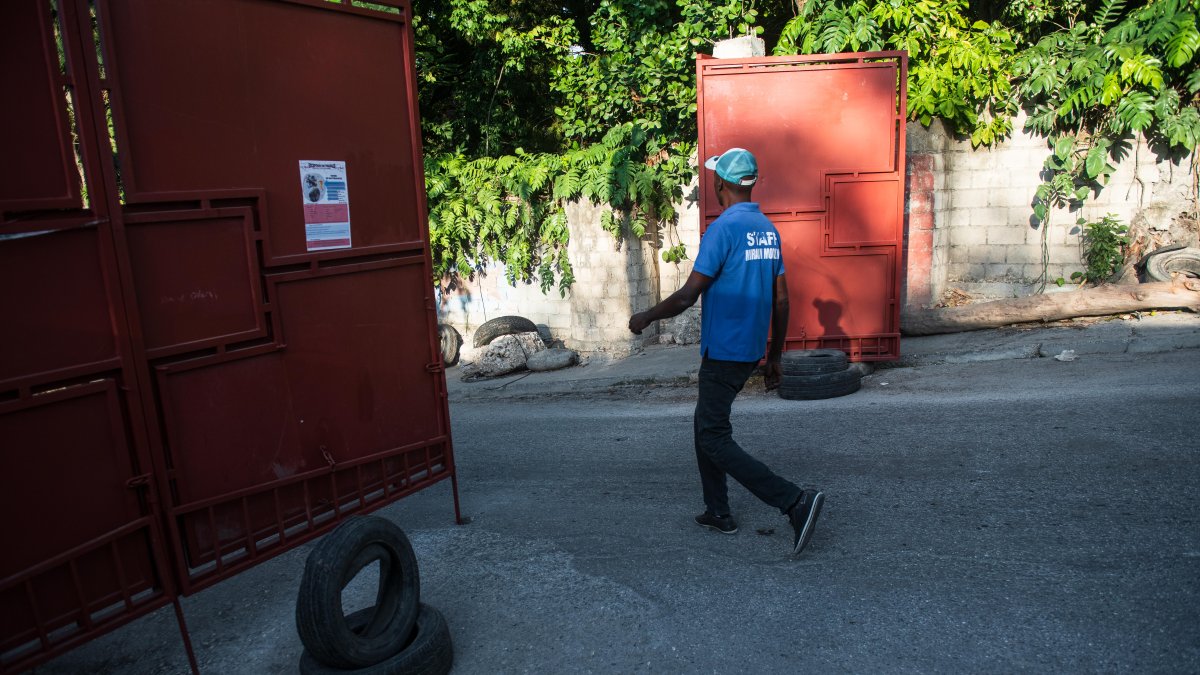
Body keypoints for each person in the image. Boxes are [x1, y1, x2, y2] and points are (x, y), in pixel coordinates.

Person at [628, 148, 824, 555]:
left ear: (721, 184)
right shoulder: (767, 230)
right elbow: (782, 301)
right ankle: (718, 512)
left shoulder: (723, 230)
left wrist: (646, 317)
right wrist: (774, 357)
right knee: (706, 426)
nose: (710, 184)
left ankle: (792, 501)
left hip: (724, 352)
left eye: (712, 178)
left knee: (714, 437)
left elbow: (687, 296)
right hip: (750, 349)